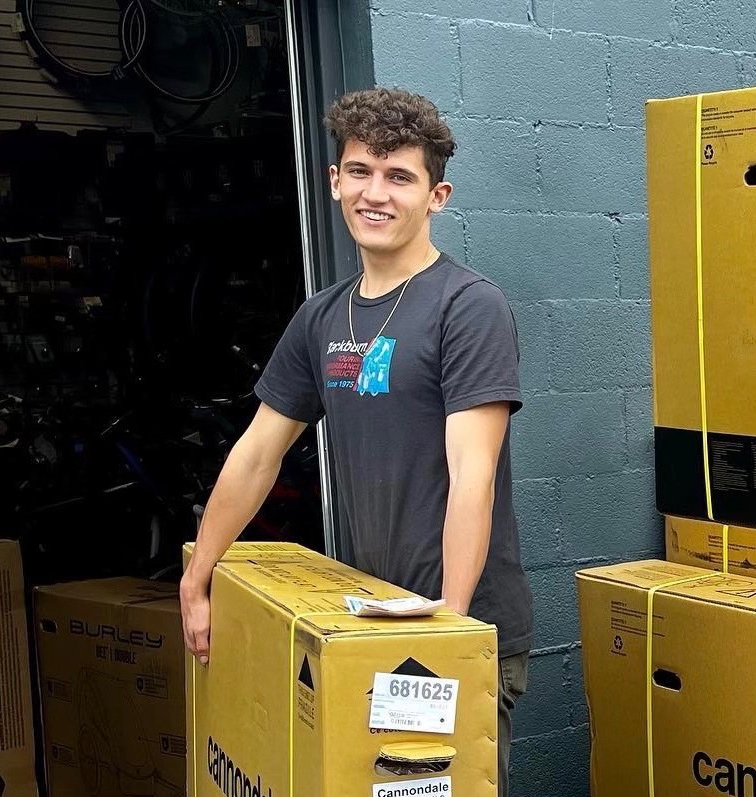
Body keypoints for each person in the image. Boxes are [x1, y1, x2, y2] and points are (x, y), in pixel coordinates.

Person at [180, 86, 533, 796]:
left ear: (436, 196)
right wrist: (199, 572)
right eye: (361, 171)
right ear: (335, 181)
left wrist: (450, 625)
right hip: (370, 613)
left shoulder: (467, 306)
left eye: (399, 176)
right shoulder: (321, 317)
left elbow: (473, 475)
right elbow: (257, 453)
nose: (376, 193)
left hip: (456, 617)